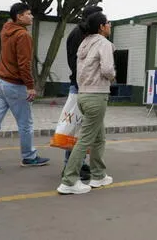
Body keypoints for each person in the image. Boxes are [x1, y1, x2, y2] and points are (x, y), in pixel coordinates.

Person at [0, 3, 50, 173]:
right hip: (15, 86)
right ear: (19, 16)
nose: (32, 16)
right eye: (29, 14)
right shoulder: (23, 36)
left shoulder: (6, 29)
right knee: (26, 124)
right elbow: (24, 64)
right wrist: (30, 86)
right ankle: (29, 157)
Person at [57, 12, 115, 194]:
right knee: (85, 140)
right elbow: (106, 69)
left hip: (83, 94)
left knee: (99, 138)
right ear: (101, 26)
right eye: (108, 22)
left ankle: (98, 175)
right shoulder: (104, 43)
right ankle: (68, 181)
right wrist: (113, 75)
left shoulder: (84, 42)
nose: (110, 25)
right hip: (97, 95)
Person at [63, 5, 103, 181]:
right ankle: (70, 167)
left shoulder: (84, 34)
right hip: (81, 86)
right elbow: (76, 62)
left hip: (82, 85)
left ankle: (79, 163)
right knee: (77, 128)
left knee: (84, 129)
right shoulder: (79, 35)